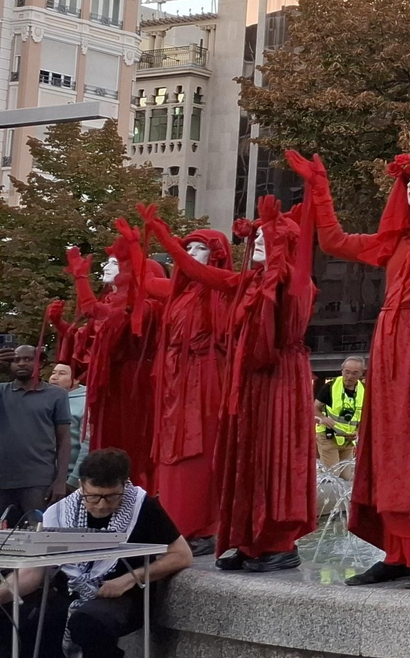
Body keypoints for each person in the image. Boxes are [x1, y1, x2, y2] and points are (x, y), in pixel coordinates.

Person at [291, 146, 410, 590]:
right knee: (391, 445)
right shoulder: (397, 239)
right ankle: (397, 553)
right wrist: (319, 189)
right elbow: (334, 240)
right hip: (393, 341)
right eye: (407, 179)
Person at [178, 194, 319, 573]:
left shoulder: (296, 283)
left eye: (266, 237)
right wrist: (163, 236)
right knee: (247, 457)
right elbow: (204, 273)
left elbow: (290, 294)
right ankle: (250, 542)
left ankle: (279, 543)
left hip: (280, 381)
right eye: (255, 236)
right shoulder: (249, 282)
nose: (256, 241)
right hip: (249, 380)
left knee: (276, 456)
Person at [0, 448, 192, 658]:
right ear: (81, 485)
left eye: (111, 497)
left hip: (123, 595)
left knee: (88, 617)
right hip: (72, 590)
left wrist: (128, 579)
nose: (101, 505)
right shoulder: (59, 512)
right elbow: (33, 573)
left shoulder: (142, 506)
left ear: (125, 484)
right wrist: (5, 593)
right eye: (93, 497)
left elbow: (182, 555)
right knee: (40, 613)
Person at [140, 219, 235, 555]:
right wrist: (133, 249)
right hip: (176, 381)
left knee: (201, 449)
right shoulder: (179, 294)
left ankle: (204, 526)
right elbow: (146, 279)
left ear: (218, 255)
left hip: (206, 378)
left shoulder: (223, 289)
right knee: (171, 453)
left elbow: (189, 270)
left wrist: (168, 242)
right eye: (189, 247)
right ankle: (176, 526)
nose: (192, 254)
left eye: (201, 248)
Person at [65, 221, 165, 488]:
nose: (110, 269)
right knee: (107, 439)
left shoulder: (149, 307)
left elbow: (126, 316)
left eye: (117, 264)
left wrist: (133, 248)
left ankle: (136, 493)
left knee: (132, 442)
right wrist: (80, 278)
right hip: (113, 385)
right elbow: (92, 310)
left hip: (134, 385)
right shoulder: (114, 304)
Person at [0, 344, 72, 527]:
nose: (21, 363)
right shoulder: (2, 392)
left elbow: (64, 439)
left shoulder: (57, 395)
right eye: (16, 360)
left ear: (41, 362)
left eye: (27, 359)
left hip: (38, 481)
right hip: (3, 479)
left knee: (37, 533)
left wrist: (61, 481)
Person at [315, 357, 367, 474]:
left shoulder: (364, 391)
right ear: (342, 371)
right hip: (328, 435)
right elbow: (314, 408)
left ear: (361, 373)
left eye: (355, 373)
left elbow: (364, 417)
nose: (350, 376)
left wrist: (358, 431)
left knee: (346, 476)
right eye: (347, 372)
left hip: (347, 439)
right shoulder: (329, 387)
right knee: (333, 474)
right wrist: (323, 418)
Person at [47, 362, 86, 490]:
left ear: (75, 379)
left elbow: (87, 445)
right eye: (53, 373)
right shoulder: (44, 398)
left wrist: (73, 480)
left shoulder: (85, 402)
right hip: (41, 475)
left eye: (62, 373)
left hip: (69, 478)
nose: (54, 377)